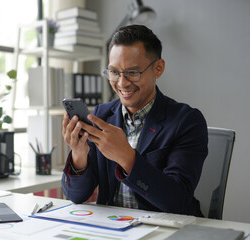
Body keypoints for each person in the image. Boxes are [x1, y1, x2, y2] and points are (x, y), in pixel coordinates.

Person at [61, 25, 208, 217]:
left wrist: (126, 157)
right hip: (114, 228)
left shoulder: (186, 121)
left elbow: (177, 201)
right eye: (114, 72)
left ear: (158, 68)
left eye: (133, 72)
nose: (122, 83)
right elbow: (76, 195)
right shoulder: (102, 115)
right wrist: (79, 154)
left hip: (166, 230)